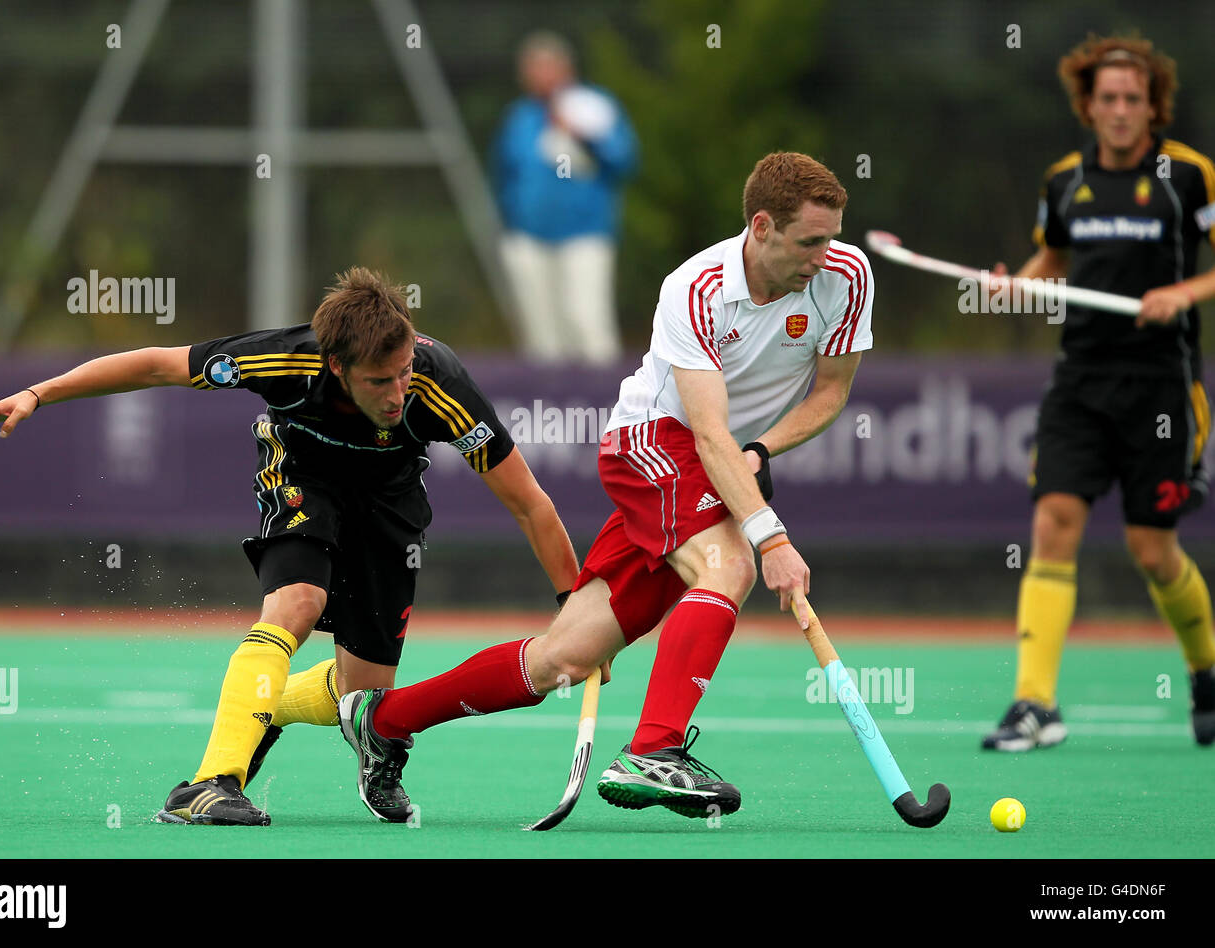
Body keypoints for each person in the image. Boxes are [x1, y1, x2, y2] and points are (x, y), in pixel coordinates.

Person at [337, 152, 873, 823]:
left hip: (725, 461)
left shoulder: (847, 277)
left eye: (832, 237)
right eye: (810, 241)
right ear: (761, 227)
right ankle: (655, 750)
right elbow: (705, 433)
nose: (826, 255)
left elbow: (829, 395)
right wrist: (772, 537)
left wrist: (762, 448)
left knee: (564, 657)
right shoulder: (697, 288)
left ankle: (385, 721)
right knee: (731, 561)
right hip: (653, 444)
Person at [0, 268, 580, 824]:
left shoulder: (439, 385)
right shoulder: (285, 360)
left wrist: (574, 608)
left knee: (359, 696)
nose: (398, 393)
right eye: (379, 381)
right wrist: (41, 392)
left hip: (389, 500)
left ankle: (263, 705)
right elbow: (157, 364)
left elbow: (530, 503)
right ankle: (209, 784)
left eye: (404, 374)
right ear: (336, 366)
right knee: (297, 604)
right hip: (300, 476)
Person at [982, 35, 1215, 752]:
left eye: (1132, 100)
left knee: (1153, 549)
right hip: (1080, 380)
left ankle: (1206, 671)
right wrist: (1016, 285)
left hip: (1162, 389)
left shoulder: (1190, 176)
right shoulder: (1065, 181)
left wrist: (1181, 291)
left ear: (1152, 106)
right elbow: (1053, 259)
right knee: (1054, 519)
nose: (1119, 111)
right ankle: (1034, 704)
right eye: (1107, 99)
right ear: (1088, 106)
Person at [492, 30, 638, 365]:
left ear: (566, 68)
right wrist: (512, 221)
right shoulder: (520, 118)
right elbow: (504, 174)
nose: (540, 75)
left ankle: (606, 405)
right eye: (533, 68)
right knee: (541, 334)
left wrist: (582, 134)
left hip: (585, 234)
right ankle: (549, 408)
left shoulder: (594, 106)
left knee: (586, 319)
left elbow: (624, 160)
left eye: (547, 66)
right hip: (527, 238)